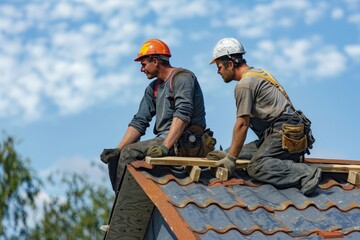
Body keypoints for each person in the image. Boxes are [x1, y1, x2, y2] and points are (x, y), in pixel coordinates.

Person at [208, 37, 321, 196]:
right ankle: (281, 160)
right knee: (229, 153)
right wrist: (230, 155)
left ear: (230, 64)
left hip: (284, 133)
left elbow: (242, 124)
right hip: (283, 132)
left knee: (256, 166)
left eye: (219, 66)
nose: (218, 71)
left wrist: (230, 159)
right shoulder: (259, 73)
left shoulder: (245, 85)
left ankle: (306, 173)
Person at [101, 38, 214, 193]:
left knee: (130, 153)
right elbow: (139, 122)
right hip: (164, 140)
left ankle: (128, 204)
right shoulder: (153, 88)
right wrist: (118, 149)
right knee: (117, 157)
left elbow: (183, 114)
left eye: (143, 64)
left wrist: (164, 146)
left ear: (155, 61)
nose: (142, 69)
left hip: (186, 141)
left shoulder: (182, 78)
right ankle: (122, 202)